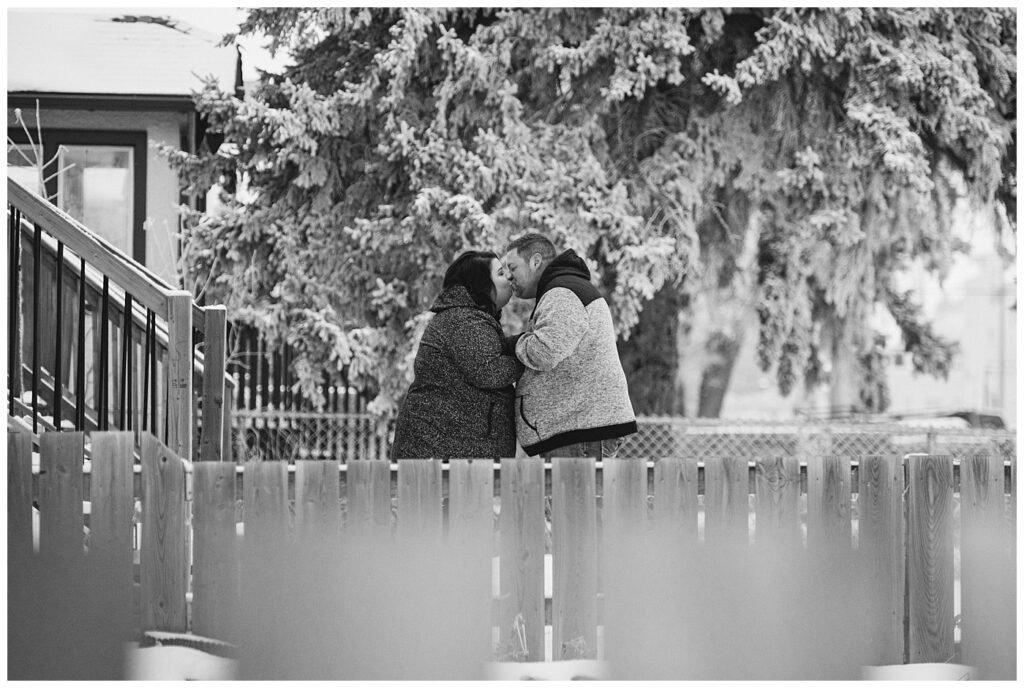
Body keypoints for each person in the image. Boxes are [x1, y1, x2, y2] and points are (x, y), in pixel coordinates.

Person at [502, 232, 637, 458]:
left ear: (535, 261)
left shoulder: (562, 292)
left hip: (581, 432)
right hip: (578, 430)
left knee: (573, 495)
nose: (508, 276)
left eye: (512, 268)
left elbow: (544, 351)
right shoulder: (562, 289)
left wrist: (513, 343)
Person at [391, 250, 524, 459]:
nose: (509, 277)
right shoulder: (464, 320)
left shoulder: (466, 317)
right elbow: (489, 371)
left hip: (451, 448)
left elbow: (486, 354)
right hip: (441, 450)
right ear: (480, 284)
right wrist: (530, 355)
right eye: (500, 273)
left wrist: (520, 343)